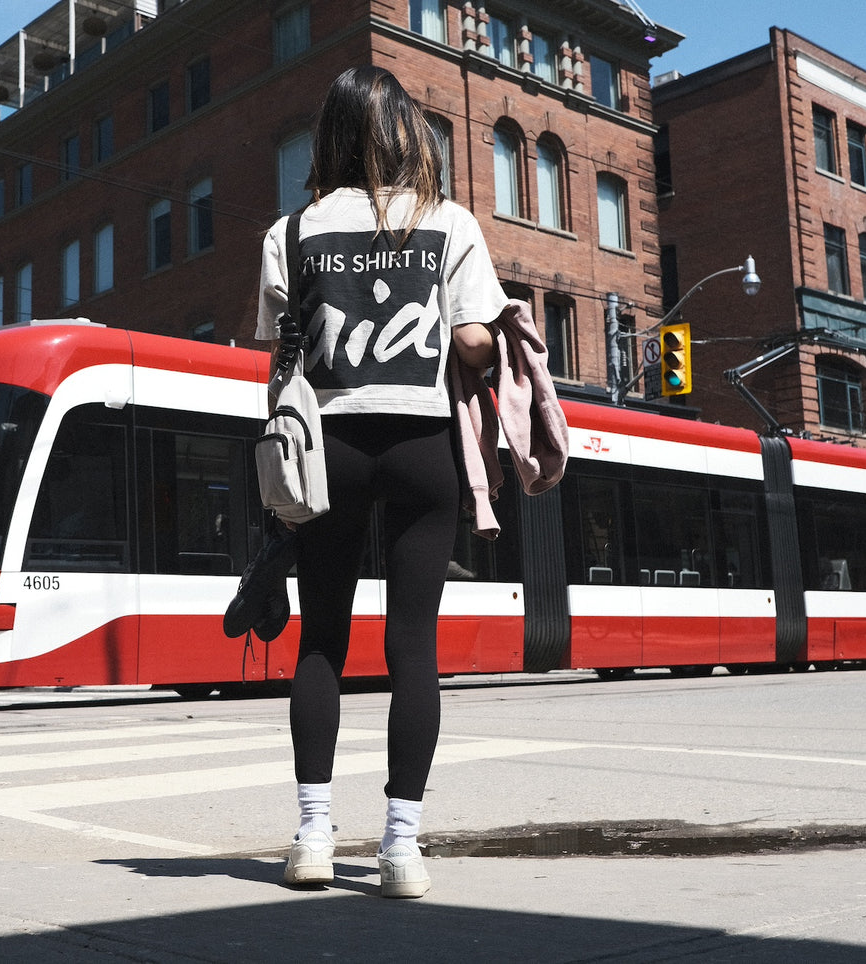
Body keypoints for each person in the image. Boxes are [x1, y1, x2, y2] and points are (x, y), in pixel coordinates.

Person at [255, 65, 506, 899]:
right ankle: (401, 847)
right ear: (405, 132)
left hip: (329, 448)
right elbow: (472, 342)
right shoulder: (448, 222)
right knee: (413, 649)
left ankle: (312, 836)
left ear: (329, 135)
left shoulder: (289, 232)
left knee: (320, 639)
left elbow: (279, 362)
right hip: (418, 447)